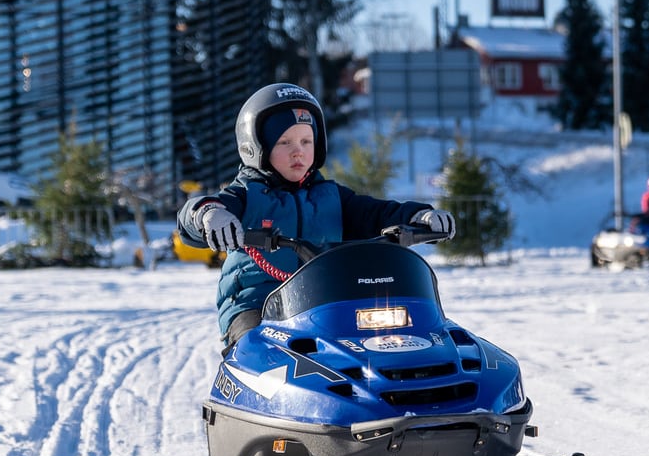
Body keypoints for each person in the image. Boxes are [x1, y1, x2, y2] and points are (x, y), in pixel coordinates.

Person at [178, 83, 448, 351]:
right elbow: (196, 215)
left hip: (325, 302)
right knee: (259, 351)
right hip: (256, 304)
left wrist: (418, 215)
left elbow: (377, 212)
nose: (298, 151)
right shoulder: (245, 195)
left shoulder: (332, 197)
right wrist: (208, 214)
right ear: (255, 147)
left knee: (383, 343)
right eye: (284, 142)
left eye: (306, 141)